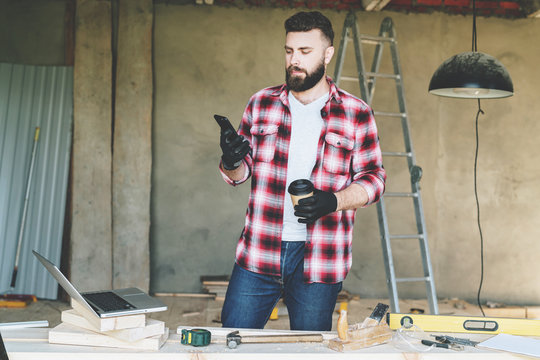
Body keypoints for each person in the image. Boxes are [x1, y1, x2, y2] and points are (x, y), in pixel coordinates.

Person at [217, 11, 386, 331]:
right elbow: (240, 174)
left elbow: (374, 179)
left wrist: (333, 201)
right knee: (231, 343)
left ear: (327, 53)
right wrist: (230, 160)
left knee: (310, 351)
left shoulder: (355, 112)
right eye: (289, 50)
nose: (295, 60)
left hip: (320, 259)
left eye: (305, 52)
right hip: (259, 251)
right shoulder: (260, 103)